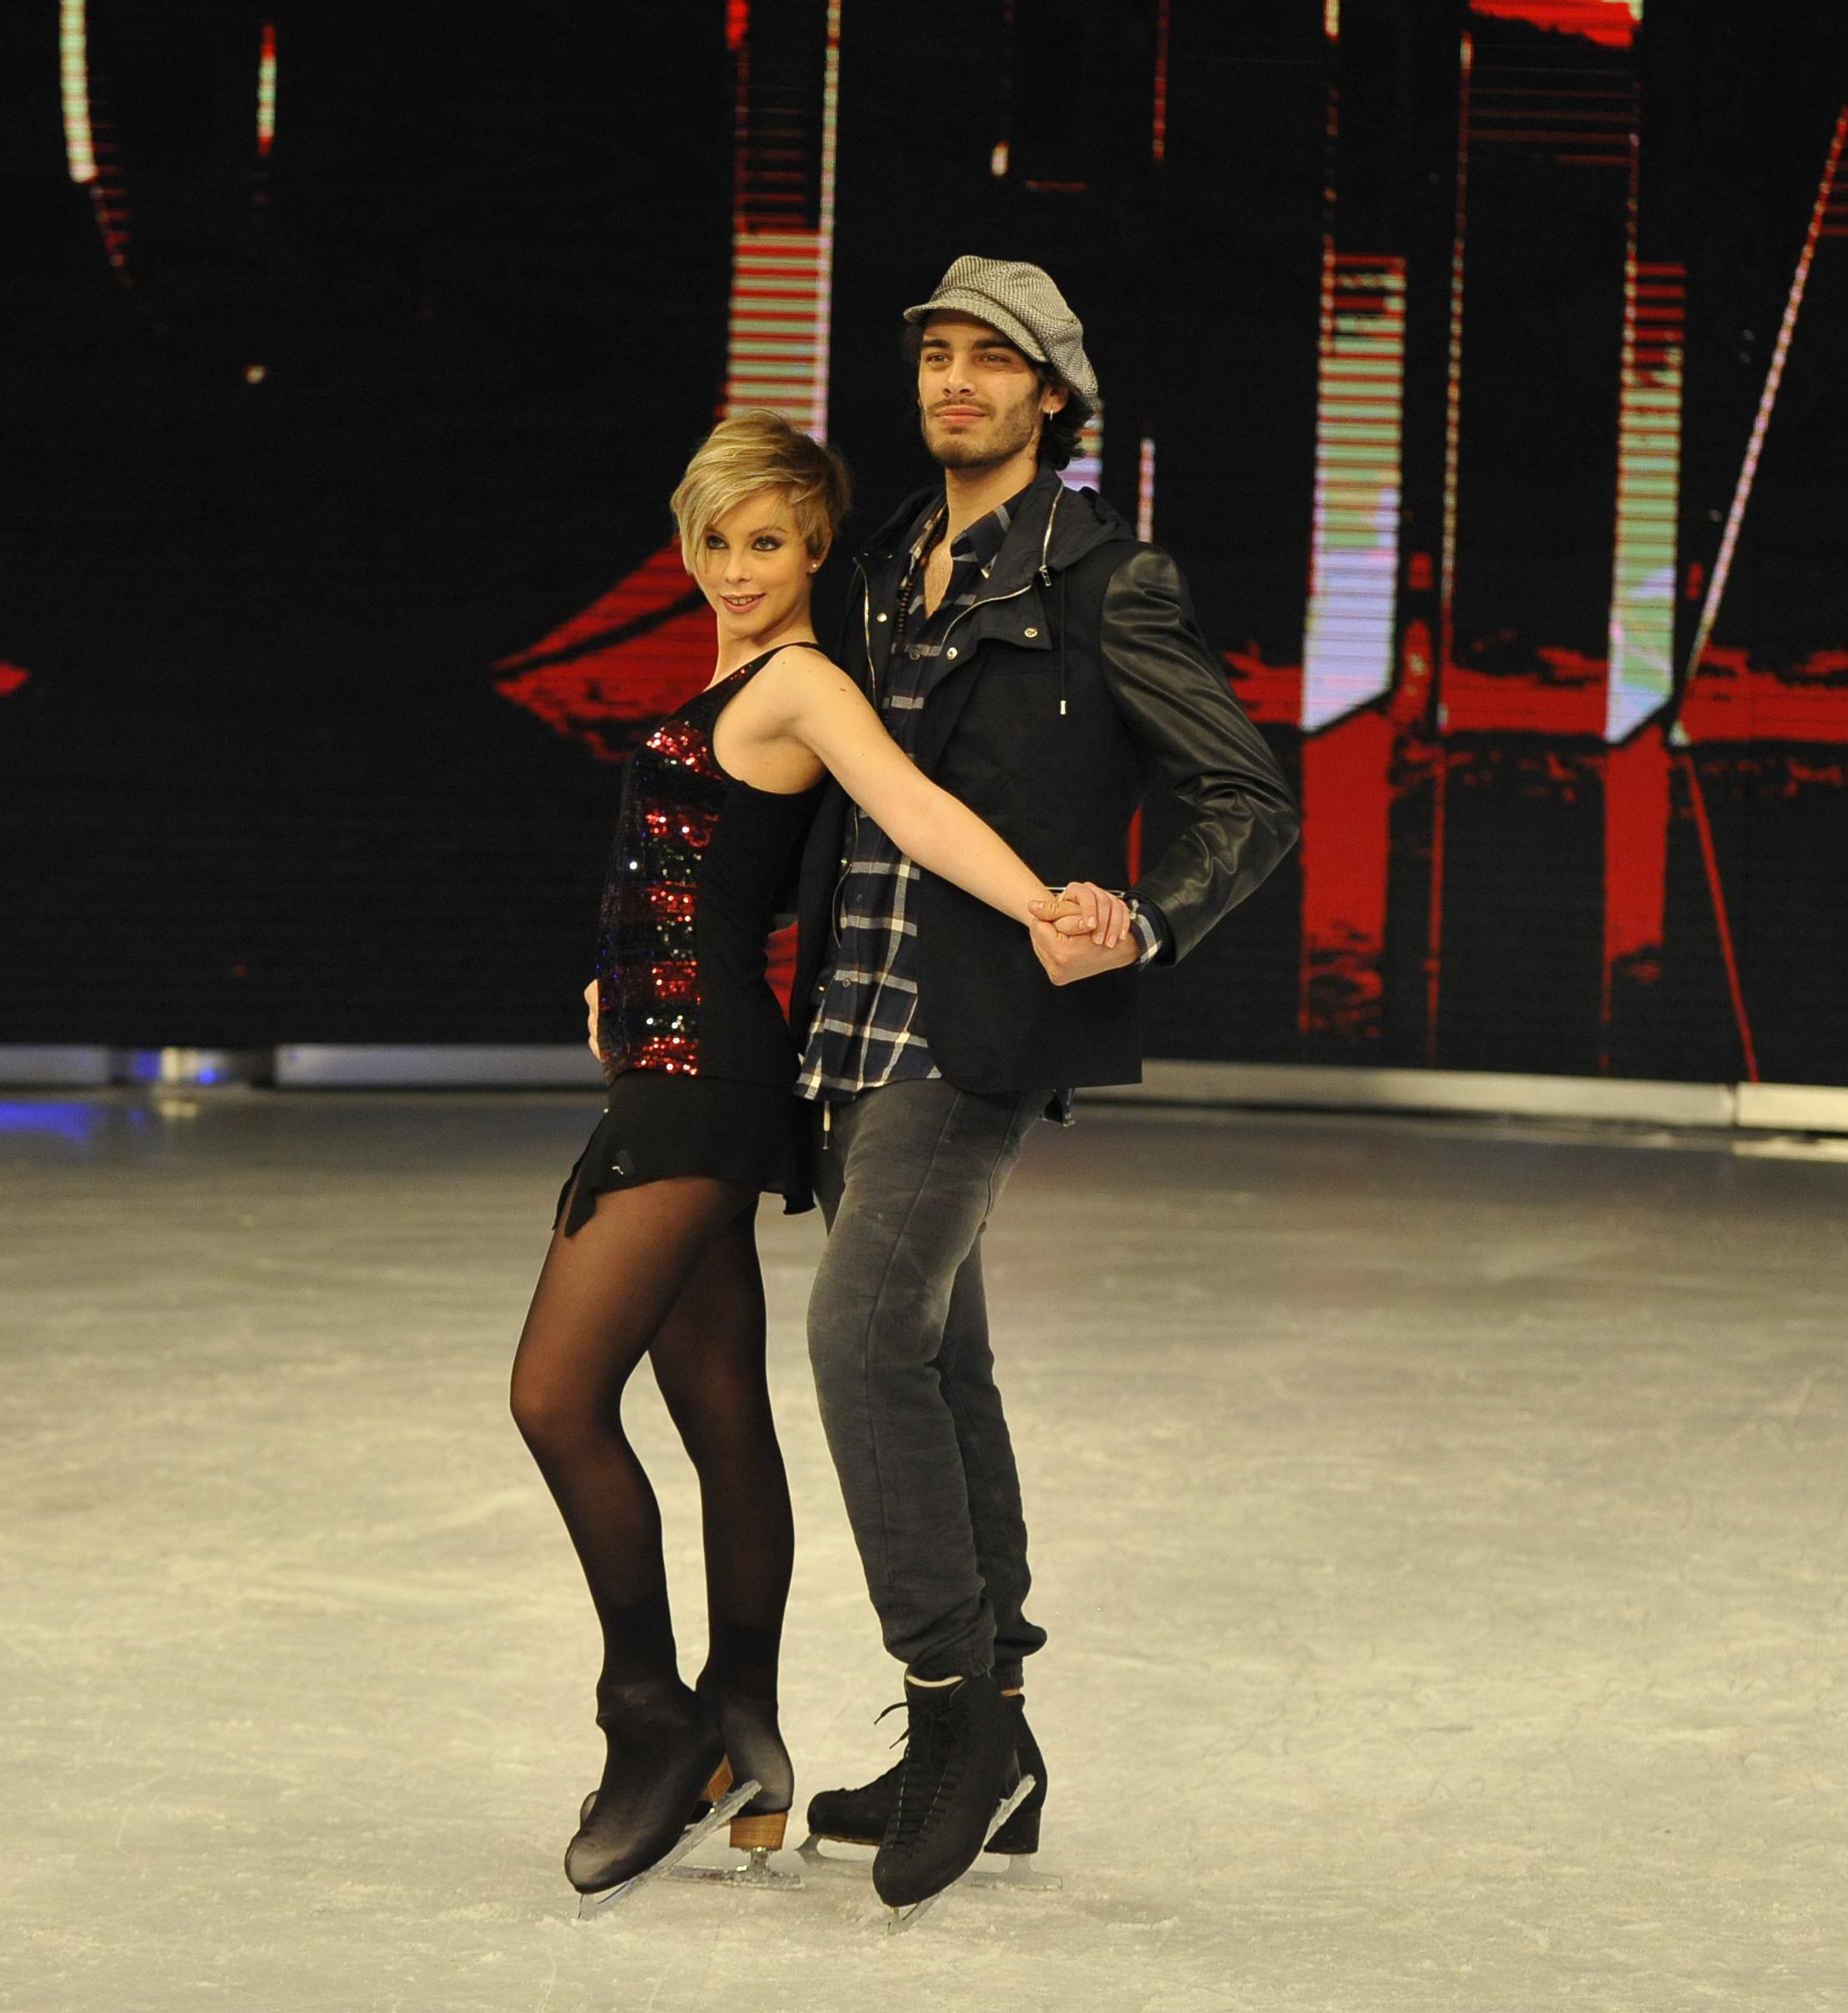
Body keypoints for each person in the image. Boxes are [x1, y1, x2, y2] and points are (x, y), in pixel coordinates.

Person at [506, 409, 1127, 1913]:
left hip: (704, 1084)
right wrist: (613, 975)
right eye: (715, 540)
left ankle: (651, 1716)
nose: (737, 567)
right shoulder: (735, 675)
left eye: (768, 541)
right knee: (717, 1410)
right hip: (673, 1058)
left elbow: (915, 813)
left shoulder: (798, 683)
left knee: (553, 1397)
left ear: (812, 550)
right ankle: (742, 1728)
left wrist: (1048, 904)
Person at [792, 258, 1301, 1913]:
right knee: (934, 1357)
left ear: (1050, 397)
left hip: (975, 1024)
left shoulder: (1107, 578)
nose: (954, 381)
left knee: (862, 1337)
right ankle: (998, 1738)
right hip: (851, 1023)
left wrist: (1145, 920)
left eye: (988, 361)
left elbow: (1247, 791)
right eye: (933, 354)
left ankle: (952, 1710)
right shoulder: (874, 571)